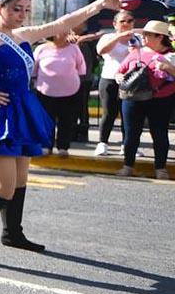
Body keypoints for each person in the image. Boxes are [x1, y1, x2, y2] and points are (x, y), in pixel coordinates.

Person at [0, 0, 121, 266]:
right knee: (3, 187)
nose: (22, 15)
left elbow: (61, 24)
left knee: (20, 181)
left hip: (21, 111)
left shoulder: (21, 35)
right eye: (16, 8)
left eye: (26, 10)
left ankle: (12, 233)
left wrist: (100, 4)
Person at [116, 20, 175, 180]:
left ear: (160, 37)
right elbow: (119, 72)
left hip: (161, 99)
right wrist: (120, 77)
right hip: (134, 98)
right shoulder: (136, 52)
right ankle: (128, 165)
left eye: (148, 35)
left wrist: (168, 67)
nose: (144, 37)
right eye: (144, 34)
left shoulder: (171, 56)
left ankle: (160, 168)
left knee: (159, 133)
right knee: (131, 133)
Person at [33, 32, 86, 157]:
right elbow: (34, 69)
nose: (64, 36)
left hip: (69, 90)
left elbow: (81, 67)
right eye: (61, 33)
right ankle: (46, 145)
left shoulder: (74, 49)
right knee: (46, 120)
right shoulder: (41, 49)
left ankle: (63, 147)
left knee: (66, 120)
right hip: (45, 90)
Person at [94, 10, 137, 155]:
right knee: (109, 113)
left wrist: (136, 51)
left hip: (131, 81)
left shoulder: (137, 39)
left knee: (129, 114)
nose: (126, 24)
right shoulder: (108, 37)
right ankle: (103, 143)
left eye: (130, 21)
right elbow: (101, 50)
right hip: (110, 79)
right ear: (115, 24)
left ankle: (127, 145)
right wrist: (119, 37)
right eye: (122, 21)